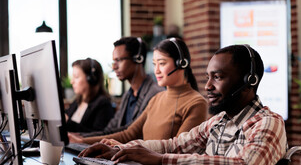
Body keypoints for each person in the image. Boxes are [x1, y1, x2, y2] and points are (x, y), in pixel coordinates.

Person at [79, 44, 287, 165]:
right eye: (208, 77)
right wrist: (121, 150)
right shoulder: (218, 122)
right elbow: (174, 145)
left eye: (218, 77)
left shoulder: (268, 123)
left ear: (248, 81)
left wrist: (162, 161)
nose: (208, 86)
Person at [71, 37, 208, 145]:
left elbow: (177, 147)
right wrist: (82, 141)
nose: (156, 70)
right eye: (154, 64)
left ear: (181, 63)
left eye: (162, 63)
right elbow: (128, 134)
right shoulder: (157, 99)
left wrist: (127, 148)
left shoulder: (196, 103)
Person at [68, 37, 164, 139]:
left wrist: (82, 139)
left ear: (138, 59)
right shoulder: (128, 94)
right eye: (114, 61)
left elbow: (129, 131)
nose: (114, 67)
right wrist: (79, 137)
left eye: (119, 60)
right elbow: (109, 130)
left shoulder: (154, 94)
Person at [65, 58, 114, 133]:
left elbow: (98, 135)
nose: (72, 82)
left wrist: (68, 122)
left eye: (76, 77)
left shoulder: (103, 103)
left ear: (91, 79)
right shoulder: (78, 101)